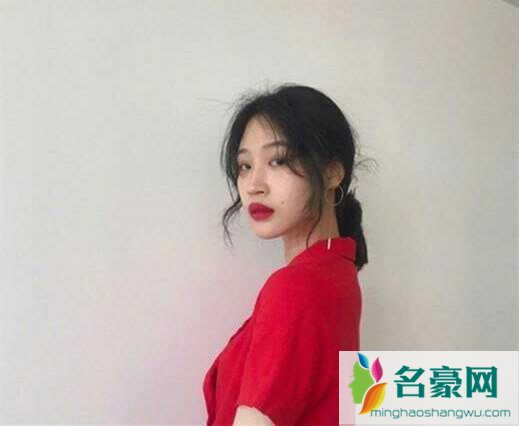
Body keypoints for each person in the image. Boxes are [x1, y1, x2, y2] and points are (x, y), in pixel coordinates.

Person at [203, 83, 371, 425]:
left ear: (332, 172)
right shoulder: (339, 273)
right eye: (244, 166)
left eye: (278, 160)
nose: (254, 185)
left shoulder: (297, 287)